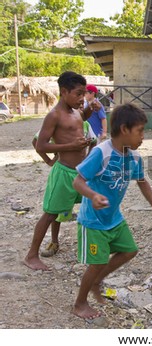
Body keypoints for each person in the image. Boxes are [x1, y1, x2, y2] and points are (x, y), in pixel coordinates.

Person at [72, 103, 152, 320]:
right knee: (96, 263)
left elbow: (142, 181)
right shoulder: (101, 152)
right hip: (93, 221)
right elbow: (78, 181)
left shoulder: (133, 157)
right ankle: (80, 303)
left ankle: (98, 280)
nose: (143, 136)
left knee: (130, 250)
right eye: (140, 131)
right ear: (124, 129)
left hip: (114, 218)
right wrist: (92, 195)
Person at [23, 71, 95, 271]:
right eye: (78, 93)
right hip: (63, 173)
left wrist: (90, 111)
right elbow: (41, 146)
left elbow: (78, 123)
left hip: (80, 172)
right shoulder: (54, 115)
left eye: (84, 93)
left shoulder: (76, 111)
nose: (82, 98)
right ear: (64, 91)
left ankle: (96, 246)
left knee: (94, 204)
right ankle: (31, 256)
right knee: (50, 215)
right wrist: (71, 146)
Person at [31, 123, 97, 257]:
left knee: (92, 206)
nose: (81, 105)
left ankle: (93, 244)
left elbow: (94, 142)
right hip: (64, 173)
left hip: (82, 174)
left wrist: (88, 159)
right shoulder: (58, 120)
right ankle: (53, 242)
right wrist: (49, 161)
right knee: (55, 211)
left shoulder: (85, 124)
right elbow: (37, 141)